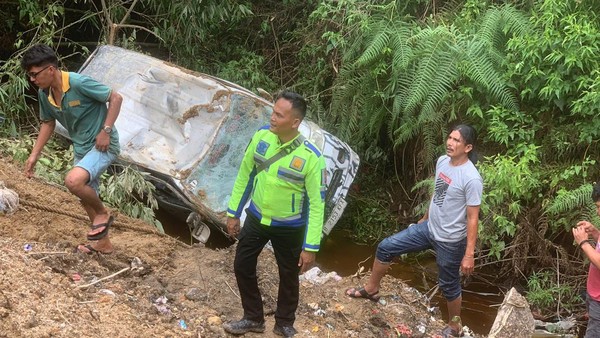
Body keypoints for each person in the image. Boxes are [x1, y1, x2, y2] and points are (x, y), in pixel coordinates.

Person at [346, 124, 483, 337]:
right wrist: (426, 217)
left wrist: (469, 254)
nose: (450, 143)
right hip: (429, 228)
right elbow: (438, 192)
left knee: (449, 285)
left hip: (450, 240)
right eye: (450, 138)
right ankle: (371, 289)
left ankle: (455, 325)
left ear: (468, 147)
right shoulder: (442, 162)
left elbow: (473, 218)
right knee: (386, 247)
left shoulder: (471, 178)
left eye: (457, 140)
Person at [223, 90, 326, 337]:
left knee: (288, 276)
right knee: (242, 265)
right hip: (257, 219)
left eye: (279, 115)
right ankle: (253, 318)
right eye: (273, 112)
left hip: (290, 228)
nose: (272, 118)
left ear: (295, 122)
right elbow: (245, 175)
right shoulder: (261, 138)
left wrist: (310, 247)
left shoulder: (312, 158)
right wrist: (233, 213)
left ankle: (284, 323)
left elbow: (316, 204)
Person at [21, 43, 122, 254]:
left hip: (103, 146)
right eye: (30, 75)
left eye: (34, 74)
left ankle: (103, 213)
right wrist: (34, 156)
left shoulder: (77, 82)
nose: (32, 80)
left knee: (73, 181)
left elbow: (116, 97)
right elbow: (48, 123)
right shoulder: (44, 93)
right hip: (82, 148)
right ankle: (102, 244)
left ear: (50, 69)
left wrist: (106, 130)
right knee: (86, 197)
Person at [572, 183, 600, 338]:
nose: (597, 212)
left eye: (599, 207)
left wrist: (583, 242)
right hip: (594, 296)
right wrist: (595, 233)